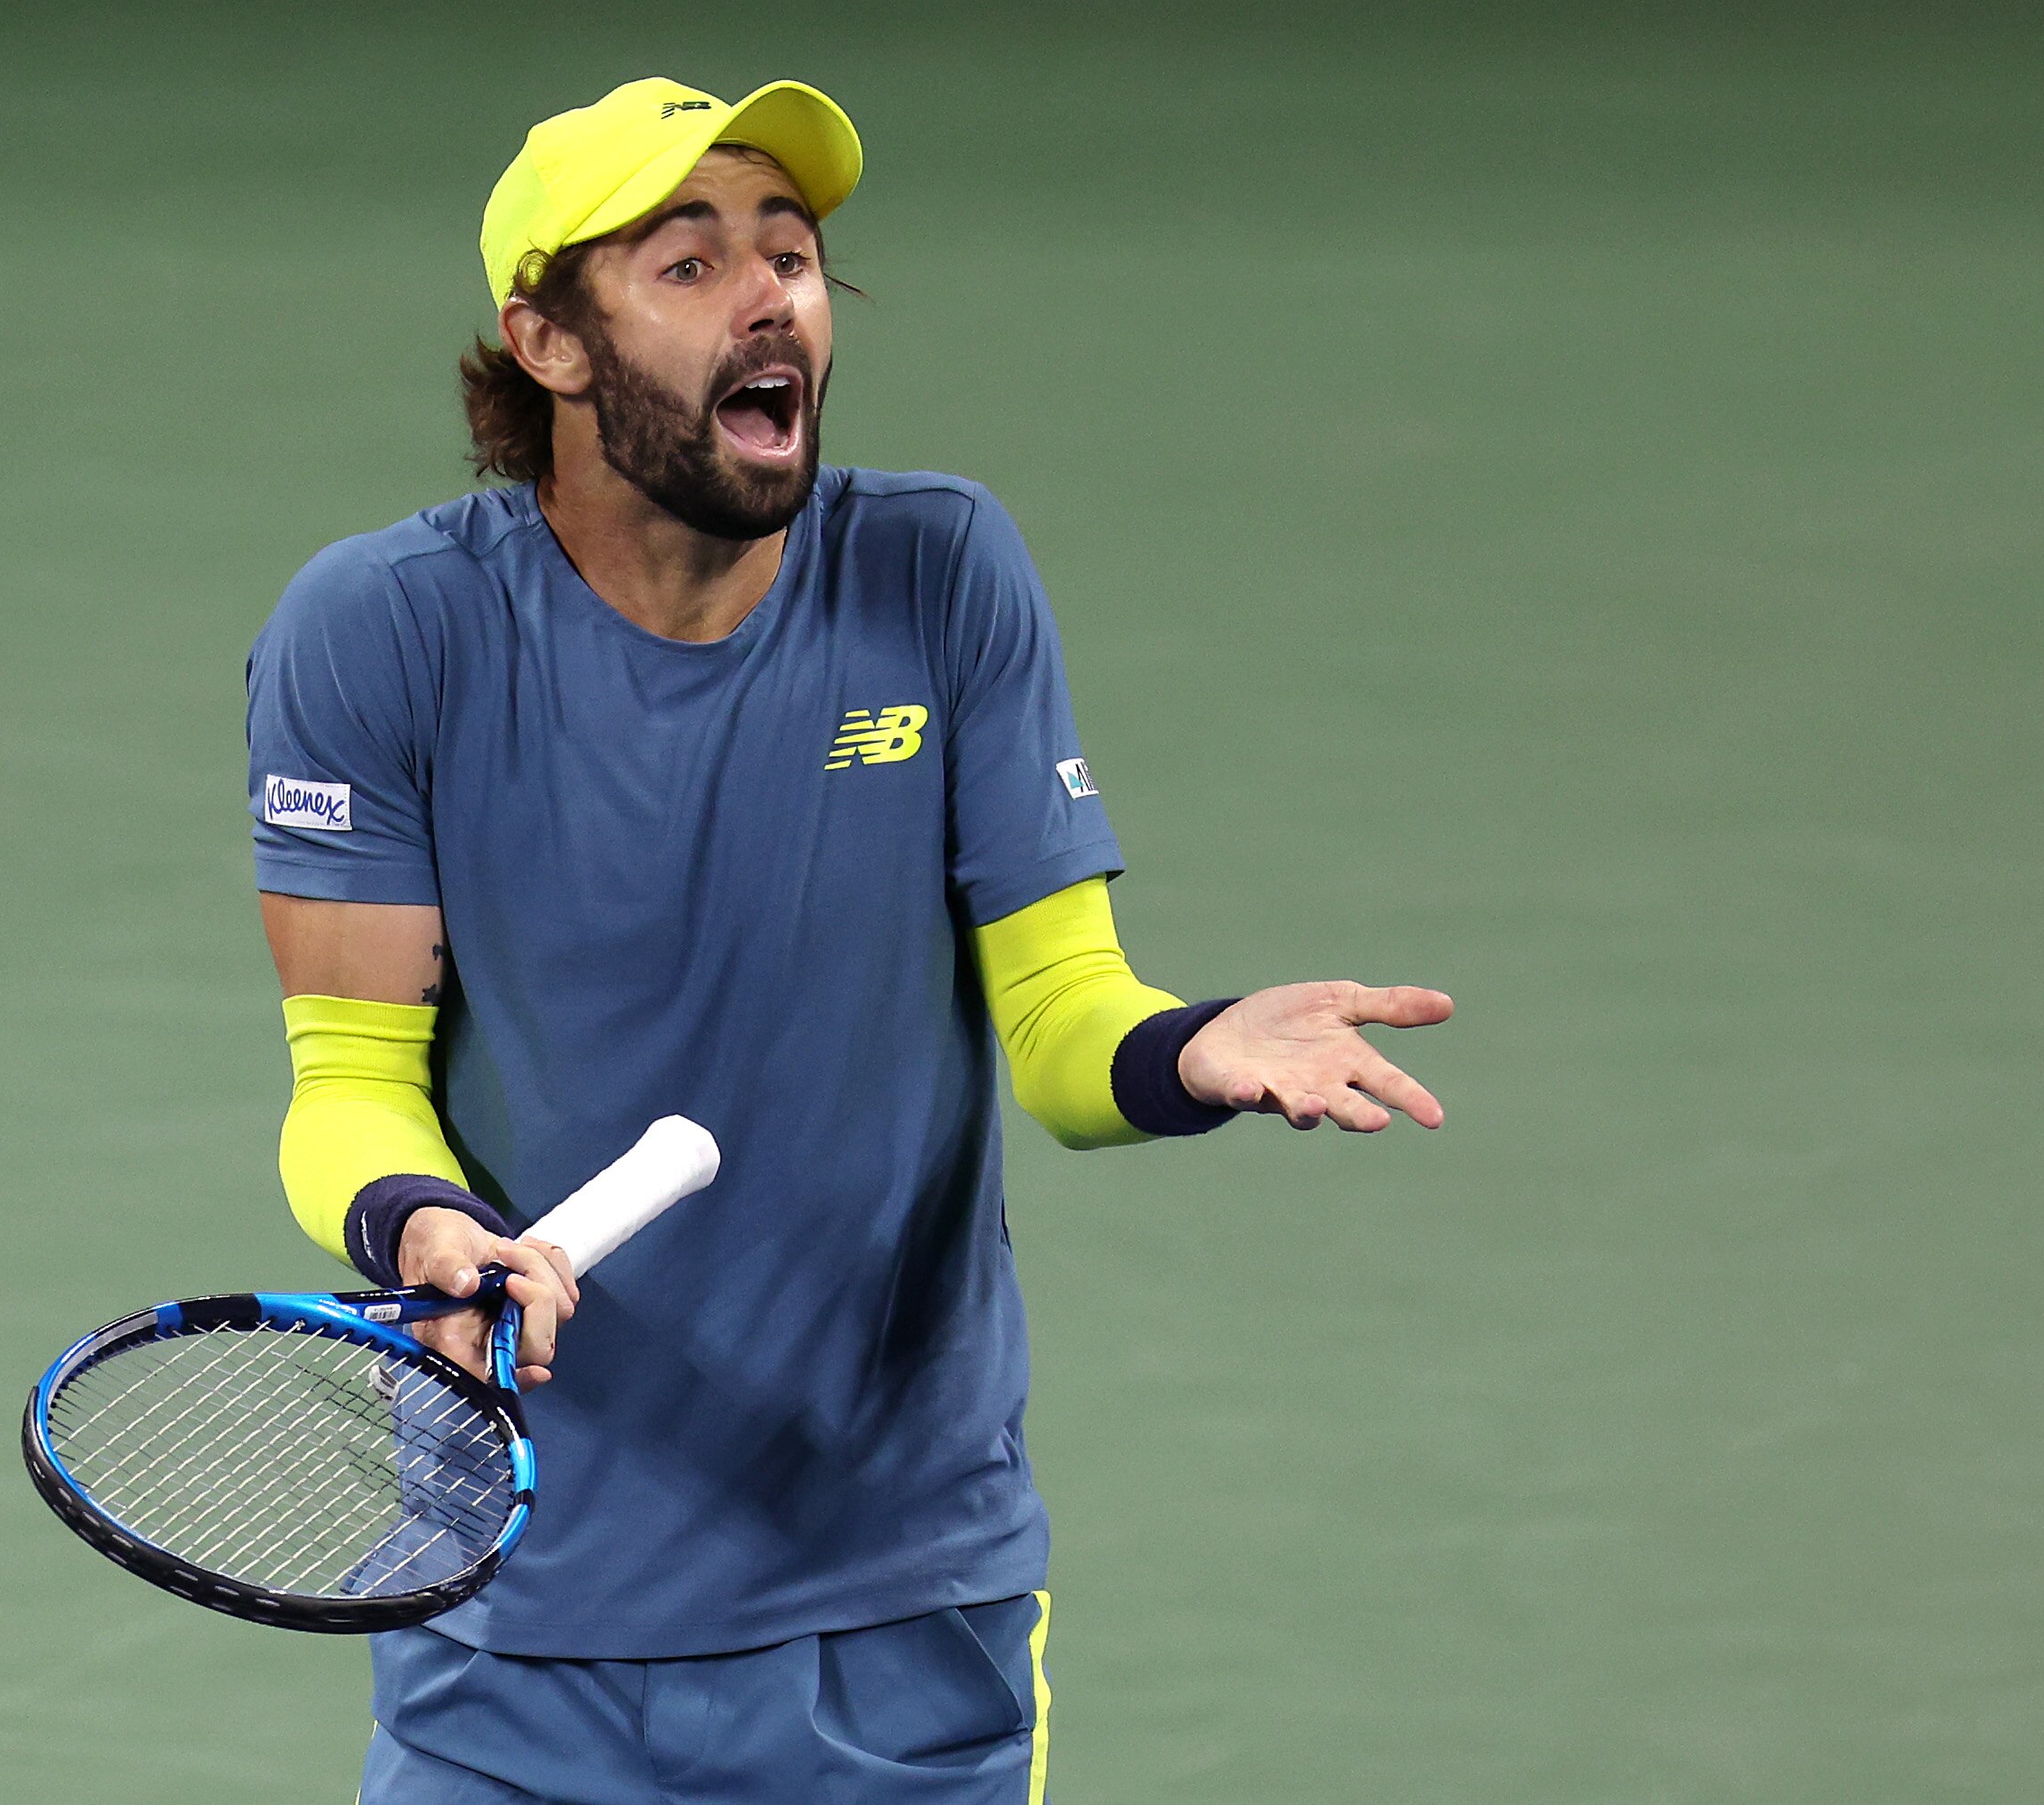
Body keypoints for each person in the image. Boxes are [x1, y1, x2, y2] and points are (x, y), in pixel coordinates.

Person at [246, 76, 1453, 1805]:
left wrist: (1189, 1050)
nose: (772, 297)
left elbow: (1058, 1024)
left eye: (793, 252)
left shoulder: (939, 573)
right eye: (688, 262)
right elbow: (347, 1085)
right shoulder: (379, 632)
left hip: (893, 1612)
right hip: (511, 1600)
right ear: (550, 344)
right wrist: (428, 1225)